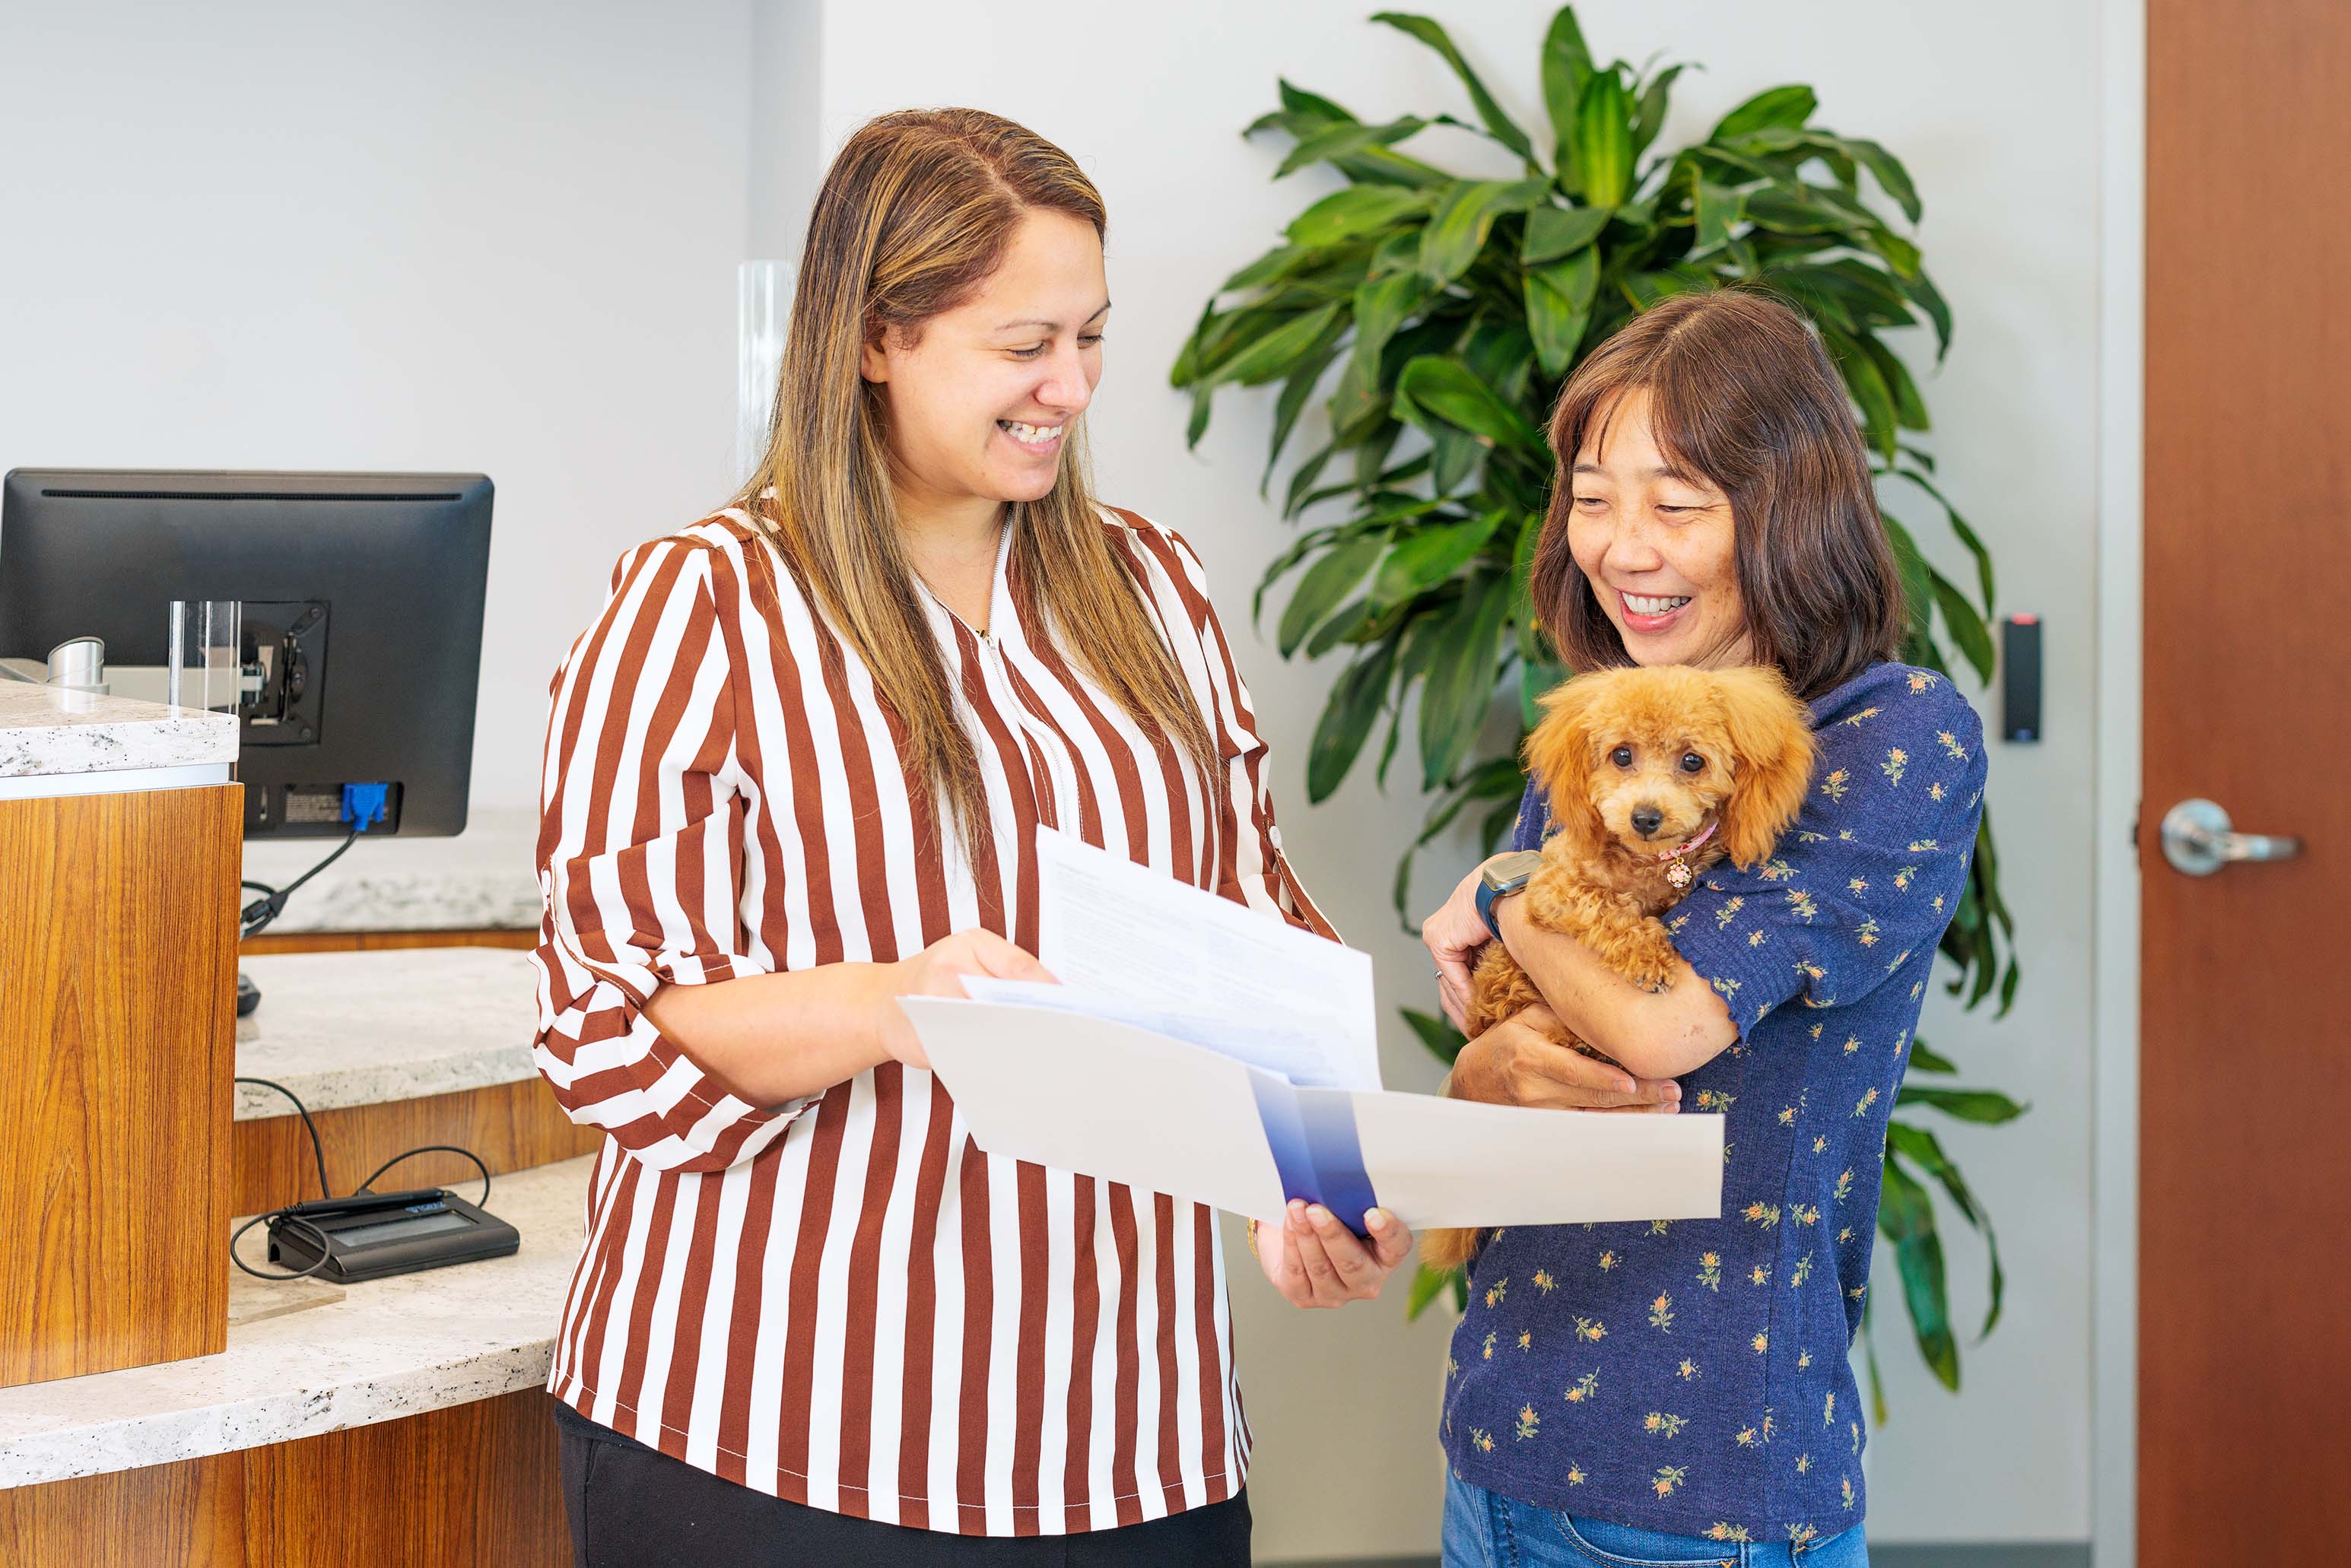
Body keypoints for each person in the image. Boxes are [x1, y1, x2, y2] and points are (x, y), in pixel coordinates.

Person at [529, 107, 1411, 1566]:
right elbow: (612, 1027)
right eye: (1023, 346)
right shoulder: (704, 605)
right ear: (875, 338)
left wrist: (1307, 1179)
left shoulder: (1155, 588)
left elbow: (1257, 934)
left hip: (1135, 1441)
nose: (1070, 386)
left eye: (1092, 337)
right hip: (784, 1436)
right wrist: (895, 1003)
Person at [1420, 288, 1986, 1566]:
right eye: (1591, 495)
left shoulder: (1890, 739)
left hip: (1708, 1487)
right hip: (1498, 1434)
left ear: (1789, 512)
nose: (1623, 547)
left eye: (1677, 503)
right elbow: (1509, 1069)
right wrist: (1480, 1071)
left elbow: (1663, 1025)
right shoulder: (1602, 724)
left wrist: (1511, 886)